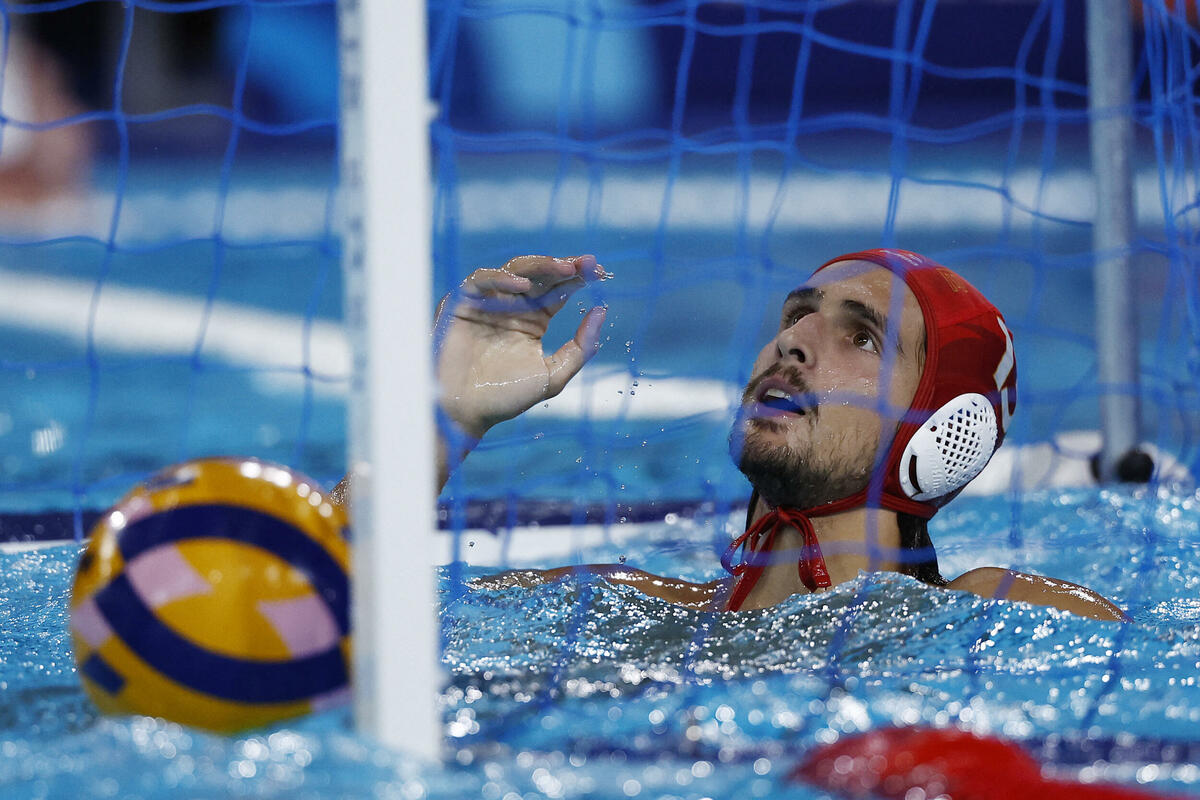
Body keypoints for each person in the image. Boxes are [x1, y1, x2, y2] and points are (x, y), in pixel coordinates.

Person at [339, 250, 1127, 622]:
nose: (794, 342)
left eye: (862, 338)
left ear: (948, 430)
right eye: (797, 316)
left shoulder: (1004, 616)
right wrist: (440, 420)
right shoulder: (617, 613)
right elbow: (312, 610)